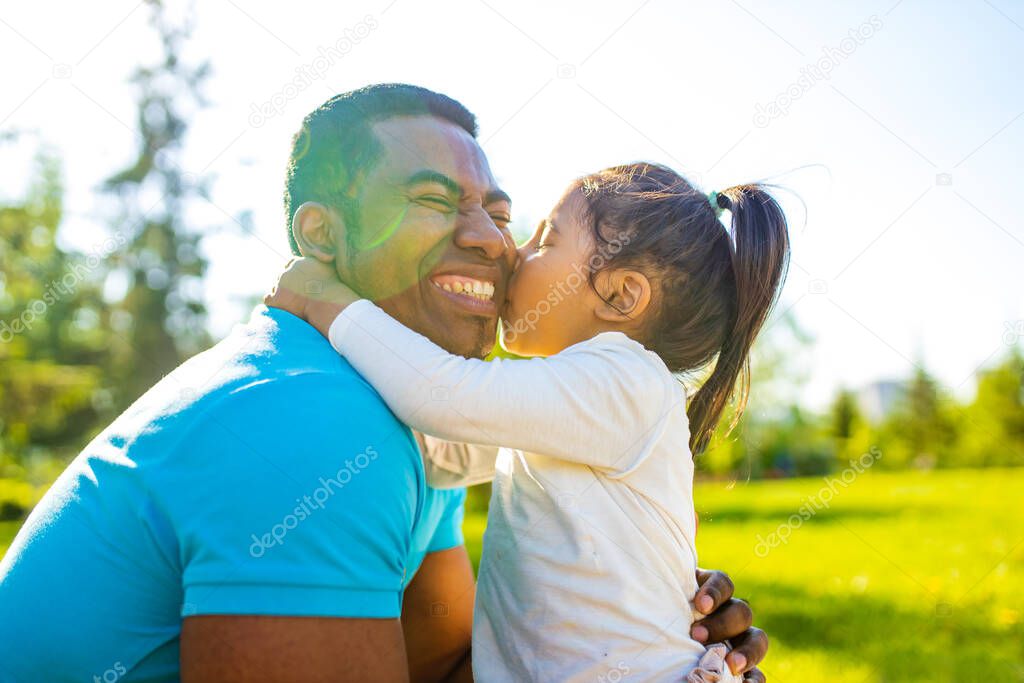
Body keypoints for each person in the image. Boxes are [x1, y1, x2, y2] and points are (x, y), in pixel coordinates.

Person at [0, 84, 767, 682]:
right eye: (436, 201)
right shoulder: (308, 417)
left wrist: (655, 618)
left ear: (623, 296)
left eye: (510, 219)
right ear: (320, 236)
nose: (494, 241)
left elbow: (438, 667)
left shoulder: (398, 413)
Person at [265, 161, 788, 681]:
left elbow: (441, 396)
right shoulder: (573, 406)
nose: (515, 252)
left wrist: (325, 300)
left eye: (546, 240)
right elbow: (444, 454)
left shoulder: (629, 382)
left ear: (620, 295)